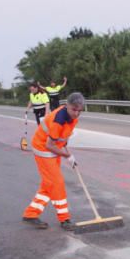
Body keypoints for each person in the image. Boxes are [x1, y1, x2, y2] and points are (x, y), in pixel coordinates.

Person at [21, 92, 85, 231]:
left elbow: (62, 138)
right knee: (57, 183)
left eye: (80, 111)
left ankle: (31, 214)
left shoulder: (73, 118)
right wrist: (68, 156)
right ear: (67, 105)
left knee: (48, 184)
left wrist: (67, 154)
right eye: (74, 109)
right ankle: (65, 219)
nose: (77, 113)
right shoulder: (59, 119)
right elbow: (49, 145)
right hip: (43, 150)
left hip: (53, 149)